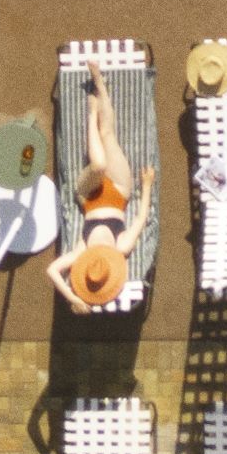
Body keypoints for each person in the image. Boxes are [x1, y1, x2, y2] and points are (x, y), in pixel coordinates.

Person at [51, 80, 152, 313]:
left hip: (88, 195)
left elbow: (52, 271)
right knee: (108, 135)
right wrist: (146, 186)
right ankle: (101, 86)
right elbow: (140, 219)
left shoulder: (82, 253)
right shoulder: (121, 247)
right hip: (119, 190)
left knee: (98, 165)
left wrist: (72, 298)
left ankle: (92, 112)